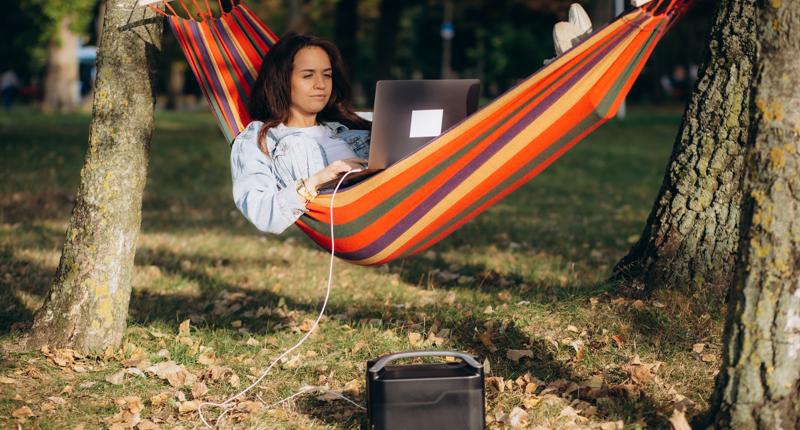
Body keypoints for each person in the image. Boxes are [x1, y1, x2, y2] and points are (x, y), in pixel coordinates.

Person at [230, 33, 372, 234]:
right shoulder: (259, 140)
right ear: (281, 81)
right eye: (307, 75)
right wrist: (319, 180)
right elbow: (261, 212)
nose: (321, 84)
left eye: (327, 74)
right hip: (353, 225)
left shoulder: (348, 123)